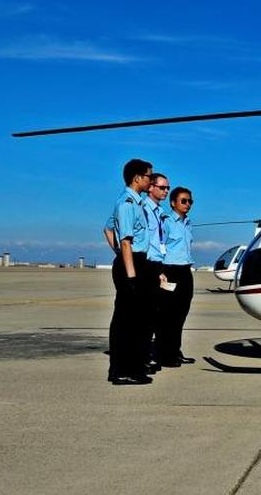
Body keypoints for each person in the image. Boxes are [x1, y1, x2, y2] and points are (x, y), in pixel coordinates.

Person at [106, 159, 153, 386]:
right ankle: (120, 371)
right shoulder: (126, 204)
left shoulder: (137, 203)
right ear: (137, 178)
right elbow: (125, 242)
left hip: (136, 262)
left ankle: (133, 367)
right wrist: (131, 275)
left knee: (137, 321)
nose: (150, 181)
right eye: (148, 177)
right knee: (126, 321)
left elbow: (107, 227)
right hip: (131, 264)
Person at [157, 186, 196, 366]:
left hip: (185, 271)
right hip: (170, 270)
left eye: (190, 201)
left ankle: (175, 351)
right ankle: (165, 355)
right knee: (167, 315)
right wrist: (161, 271)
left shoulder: (188, 223)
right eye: (183, 201)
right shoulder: (165, 222)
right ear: (173, 203)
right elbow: (159, 246)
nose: (187, 204)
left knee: (181, 314)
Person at [140, 173, 171, 373]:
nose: (165, 191)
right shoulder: (141, 208)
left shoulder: (158, 212)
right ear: (150, 187)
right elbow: (109, 228)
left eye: (167, 188)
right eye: (162, 187)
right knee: (144, 317)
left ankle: (147, 356)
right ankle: (142, 358)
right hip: (146, 264)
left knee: (154, 316)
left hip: (156, 266)